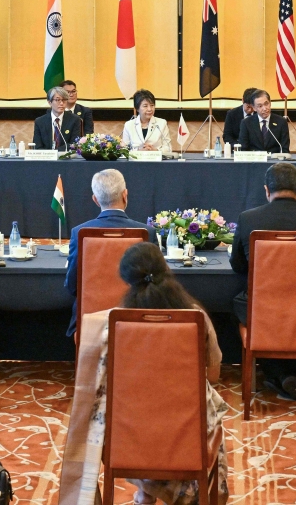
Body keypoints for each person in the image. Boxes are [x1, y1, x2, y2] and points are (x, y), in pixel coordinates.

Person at [119, 243, 229, 505]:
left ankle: (145, 493)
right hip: (185, 426)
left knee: (131, 412)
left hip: (130, 429)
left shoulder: (116, 321)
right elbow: (214, 373)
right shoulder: (194, 316)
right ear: (166, 269)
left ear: (127, 280)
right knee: (203, 408)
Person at [229, 162, 296, 400]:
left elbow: (238, 267)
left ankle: (277, 373)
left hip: (263, 307)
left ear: (267, 190)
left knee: (242, 306)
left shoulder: (248, 219)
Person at [63, 169, 155, 337]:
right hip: (135, 318)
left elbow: (72, 285)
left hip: (89, 321)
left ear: (95, 200)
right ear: (125, 195)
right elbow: (155, 282)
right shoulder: (147, 232)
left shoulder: (80, 232)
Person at [121, 88, 172, 153]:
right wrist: (139, 152)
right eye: (145, 106)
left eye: (152, 105)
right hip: (136, 162)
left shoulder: (162, 123)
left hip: (156, 161)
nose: (150, 109)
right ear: (137, 108)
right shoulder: (129, 125)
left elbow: (169, 148)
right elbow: (124, 150)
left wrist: (156, 151)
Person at [238, 89, 290, 154]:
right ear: (254, 108)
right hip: (254, 162)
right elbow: (243, 149)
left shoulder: (281, 122)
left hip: (275, 162)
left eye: (266, 104)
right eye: (260, 106)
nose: (265, 108)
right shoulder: (246, 123)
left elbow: (285, 149)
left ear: (270, 103)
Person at [34, 86, 81, 151]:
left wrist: (56, 152)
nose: (61, 103)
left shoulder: (74, 120)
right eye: (58, 100)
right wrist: (50, 155)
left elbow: (74, 144)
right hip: (46, 158)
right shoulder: (40, 121)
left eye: (64, 100)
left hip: (66, 158)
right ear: (49, 102)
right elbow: (37, 146)